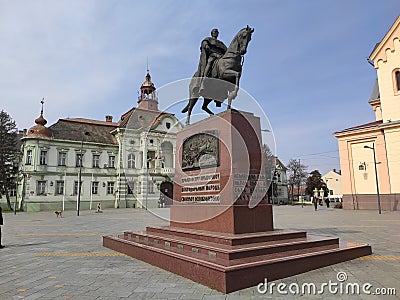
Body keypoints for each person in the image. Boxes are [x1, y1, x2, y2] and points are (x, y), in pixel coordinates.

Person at [197, 28, 227, 93]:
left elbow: (226, 51)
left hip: (220, 57)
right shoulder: (208, 39)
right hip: (212, 55)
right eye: (215, 31)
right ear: (212, 33)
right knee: (210, 62)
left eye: (217, 32)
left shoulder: (221, 43)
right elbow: (204, 42)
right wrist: (206, 45)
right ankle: (204, 80)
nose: (216, 33)